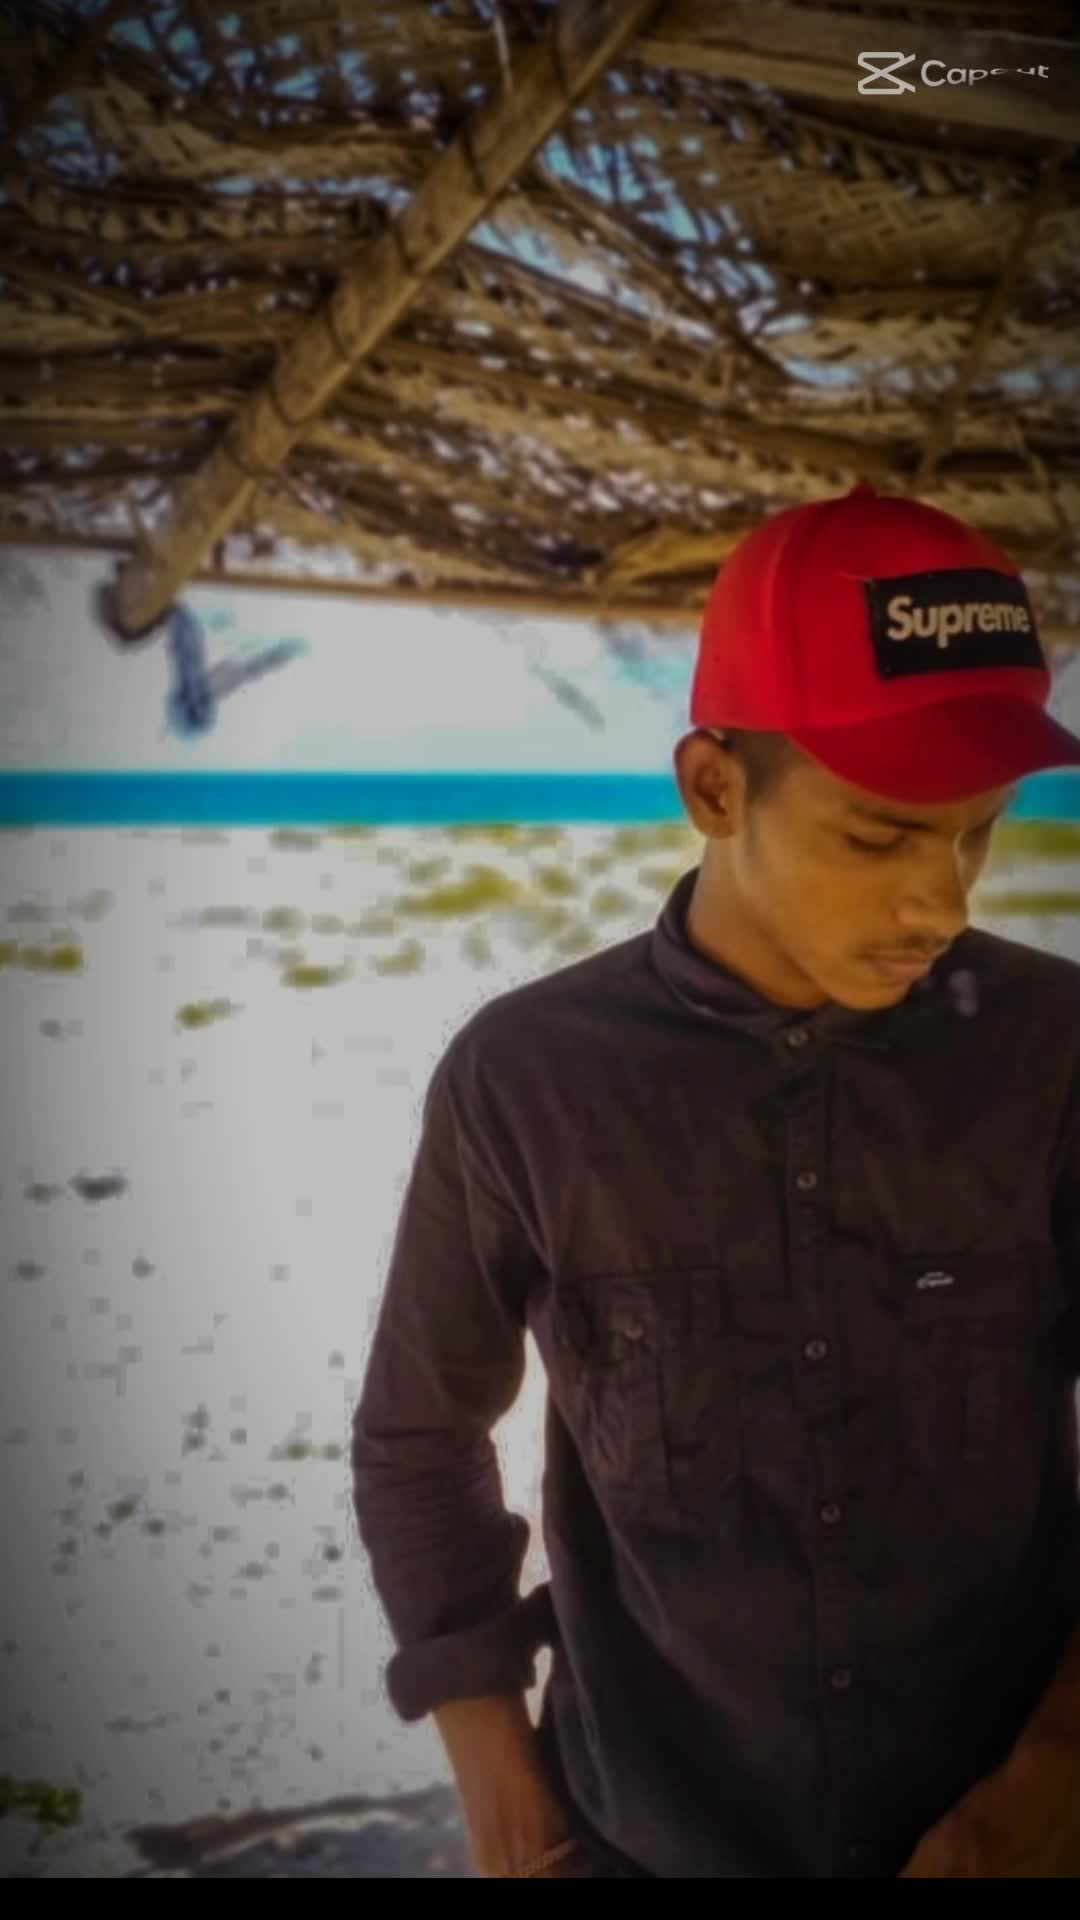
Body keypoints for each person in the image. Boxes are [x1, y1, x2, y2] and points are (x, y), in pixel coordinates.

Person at [351, 483, 1080, 1878]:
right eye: (880, 835)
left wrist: (1050, 1782)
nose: (943, 900)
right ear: (714, 788)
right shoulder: (524, 1078)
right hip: (642, 1839)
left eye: (979, 829)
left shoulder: (1057, 1053)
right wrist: (495, 1767)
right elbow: (420, 1432)